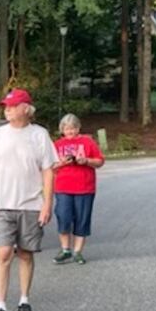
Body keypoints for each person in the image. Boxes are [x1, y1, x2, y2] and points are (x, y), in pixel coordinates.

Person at [0, 89, 58, 311]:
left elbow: (48, 171)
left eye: (13, 106)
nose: (8, 109)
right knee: (3, 253)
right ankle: (0, 306)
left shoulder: (39, 135)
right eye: (6, 106)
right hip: (3, 204)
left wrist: (47, 203)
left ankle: (24, 300)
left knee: (25, 253)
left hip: (31, 204)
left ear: (26, 108)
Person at [52, 113, 105, 265]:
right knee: (63, 216)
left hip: (84, 187)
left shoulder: (87, 142)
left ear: (78, 128)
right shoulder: (57, 145)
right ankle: (65, 249)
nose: (70, 132)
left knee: (82, 219)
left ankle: (78, 251)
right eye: (67, 129)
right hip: (63, 187)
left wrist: (86, 160)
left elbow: (100, 161)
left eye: (73, 128)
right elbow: (50, 167)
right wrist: (62, 163)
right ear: (62, 129)